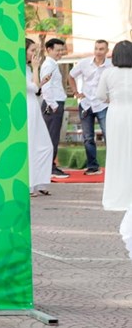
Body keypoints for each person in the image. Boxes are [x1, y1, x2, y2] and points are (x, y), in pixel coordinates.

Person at [98, 40, 132, 259]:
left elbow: (100, 96)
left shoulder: (108, 73)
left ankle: (118, 191)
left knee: (117, 154)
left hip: (116, 114)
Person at [70, 40, 112, 177]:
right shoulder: (84, 63)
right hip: (86, 104)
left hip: (103, 105)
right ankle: (93, 166)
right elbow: (71, 76)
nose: (98, 51)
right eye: (96, 48)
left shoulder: (111, 65)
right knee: (88, 138)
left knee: (109, 135)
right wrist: (76, 92)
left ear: (107, 51)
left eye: (101, 49)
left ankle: (112, 166)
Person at [25, 39, 55, 197]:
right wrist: (36, 68)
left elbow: (34, 87)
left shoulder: (27, 69)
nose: (34, 54)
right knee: (32, 145)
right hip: (28, 108)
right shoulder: (22, 69)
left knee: (44, 145)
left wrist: (41, 80)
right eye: (32, 50)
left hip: (33, 106)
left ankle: (39, 181)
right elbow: (34, 87)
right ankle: (30, 185)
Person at [40, 38, 70, 178]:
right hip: (52, 104)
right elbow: (45, 87)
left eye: (61, 50)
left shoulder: (53, 64)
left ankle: (50, 166)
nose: (60, 53)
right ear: (49, 50)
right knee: (52, 137)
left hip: (55, 103)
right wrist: (54, 105)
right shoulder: (48, 65)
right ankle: (50, 167)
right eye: (57, 50)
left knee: (53, 136)